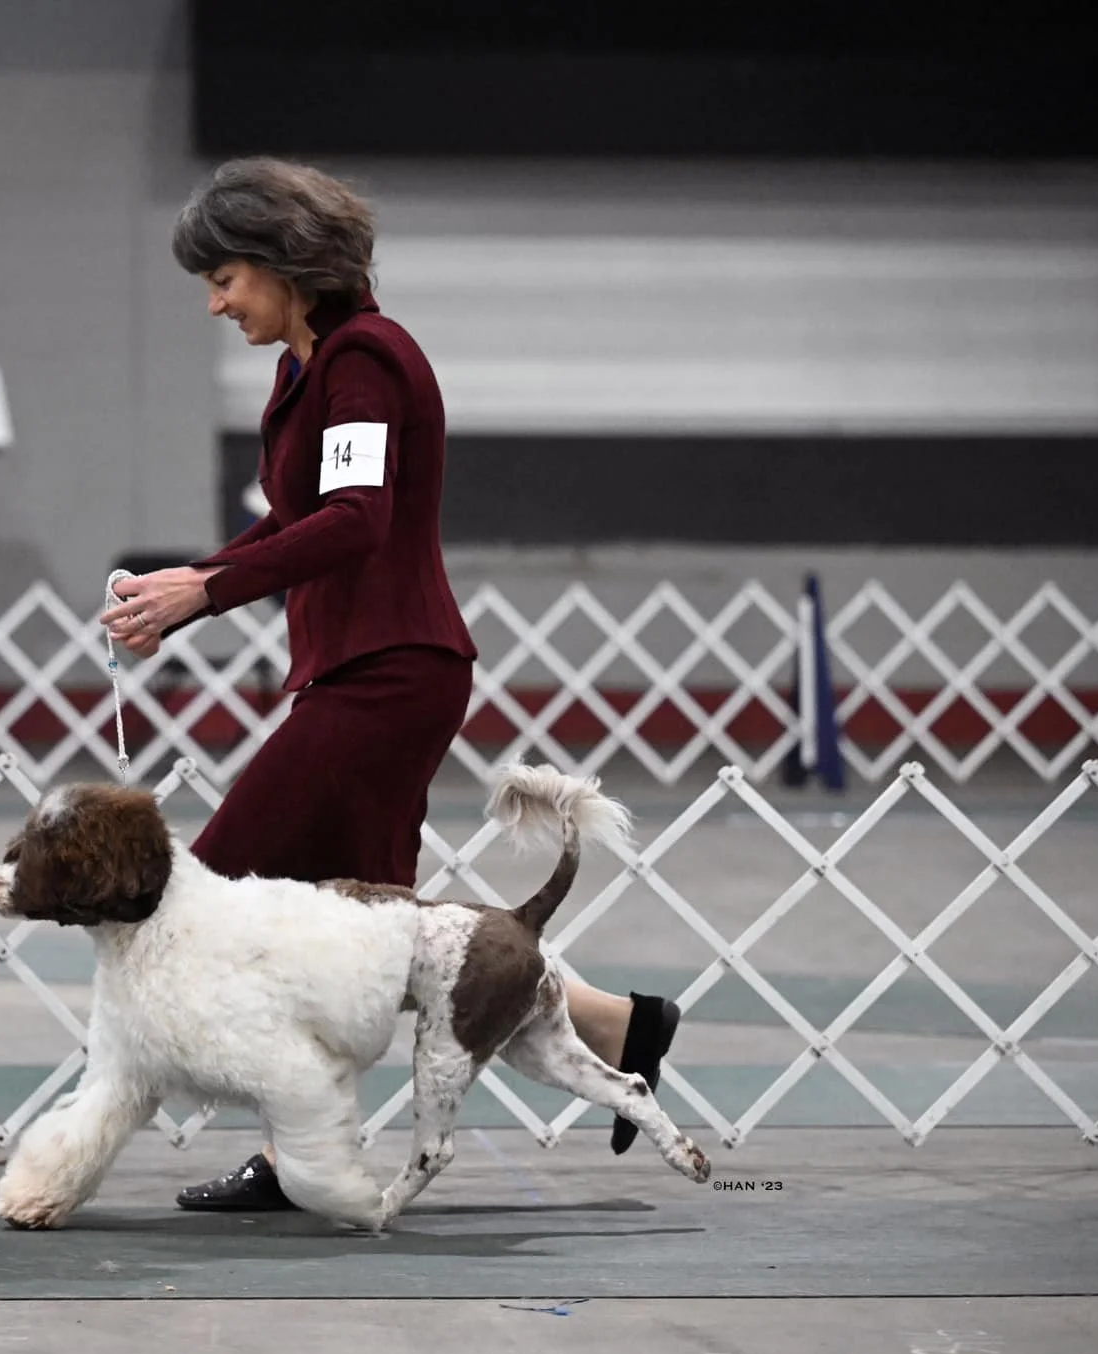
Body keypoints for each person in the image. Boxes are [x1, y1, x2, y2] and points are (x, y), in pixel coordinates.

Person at [102, 158, 681, 1212]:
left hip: (390, 673)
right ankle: (612, 1025)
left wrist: (208, 589)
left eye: (225, 277)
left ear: (284, 266)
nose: (213, 301)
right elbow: (295, 521)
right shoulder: (306, 368)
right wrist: (188, 583)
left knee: (218, 886)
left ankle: (256, 1146)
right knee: (358, 930)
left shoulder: (366, 358)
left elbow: (356, 520)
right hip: (354, 671)